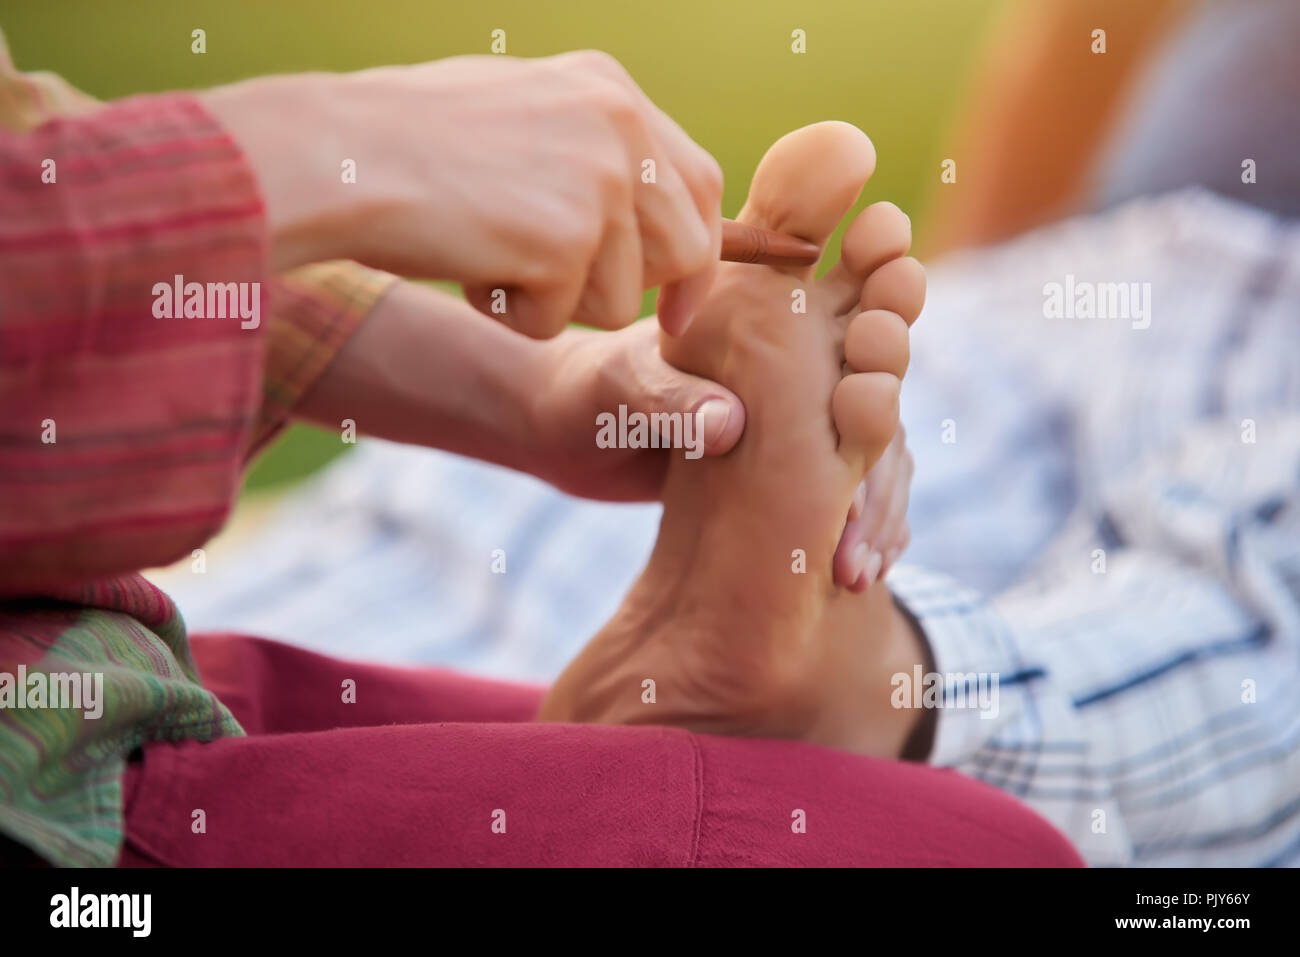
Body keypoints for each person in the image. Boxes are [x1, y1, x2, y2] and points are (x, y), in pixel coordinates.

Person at [3, 34, 1063, 867]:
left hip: (84, 676)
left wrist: (541, 392)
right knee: (987, 854)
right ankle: (792, 677)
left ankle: (735, 655)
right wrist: (340, 147)